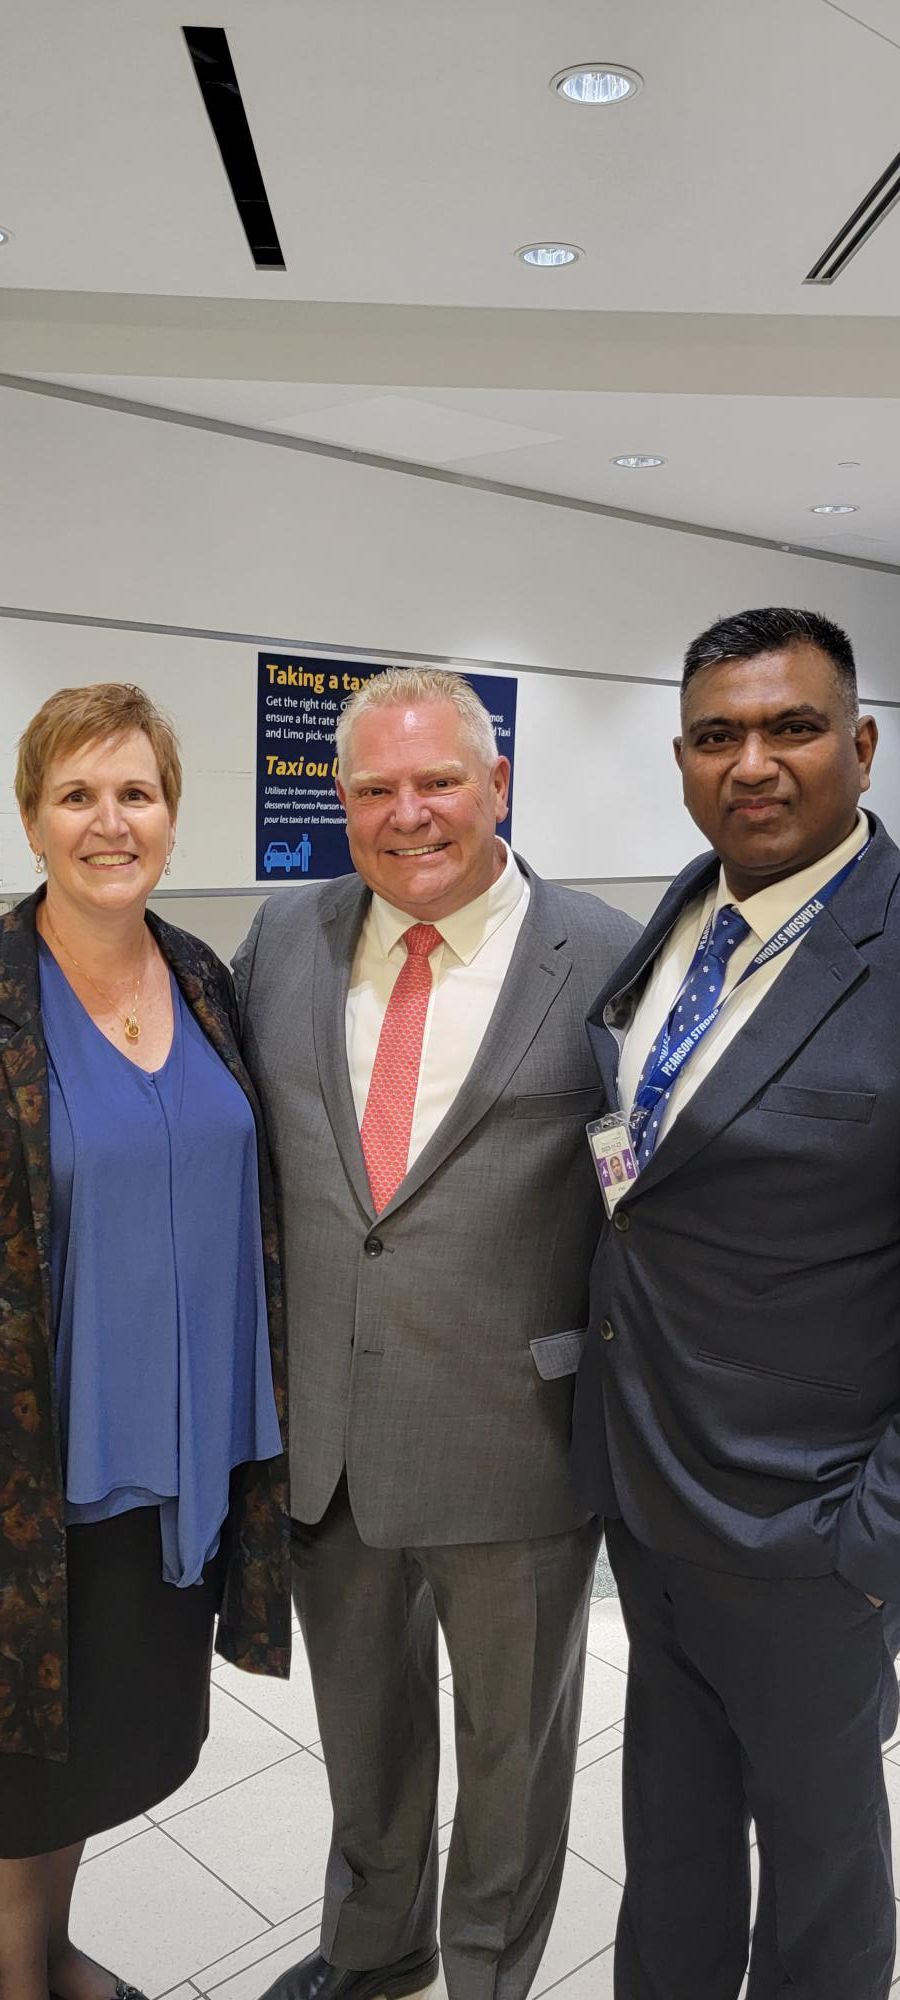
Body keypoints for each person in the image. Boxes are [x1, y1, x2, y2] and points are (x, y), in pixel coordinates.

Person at [234, 666, 638, 2000]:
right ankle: (373, 1952)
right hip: (331, 1434)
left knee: (513, 1759)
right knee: (363, 1737)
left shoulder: (606, 955)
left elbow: (653, 1204)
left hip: (515, 1437)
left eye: (440, 780)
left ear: (499, 784)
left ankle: (486, 1979)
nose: (410, 813)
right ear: (340, 801)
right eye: (375, 788)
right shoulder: (284, 940)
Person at [572, 606, 900, 1999]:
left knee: (821, 1881)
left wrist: (867, 1532)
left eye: (792, 728)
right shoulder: (690, 908)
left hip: (808, 1526)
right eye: (718, 736)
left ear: (864, 747)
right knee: (676, 1837)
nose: (752, 763)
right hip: (650, 1493)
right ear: (683, 758)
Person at [0, 684, 290, 2000]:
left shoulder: (206, 977)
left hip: (178, 1461)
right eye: (76, 794)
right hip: (32, 1475)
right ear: (32, 819)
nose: (108, 822)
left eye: (136, 792)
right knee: (15, 1770)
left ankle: (52, 1953)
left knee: (93, 1752)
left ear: (172, 816)